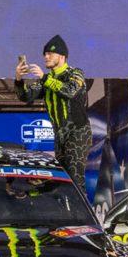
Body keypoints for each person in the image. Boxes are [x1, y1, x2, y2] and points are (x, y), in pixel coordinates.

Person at [14, 34, 88, 178]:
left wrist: (44, 78)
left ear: (62, 56)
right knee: (61, 178)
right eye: (45, 54)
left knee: (75, 178)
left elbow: (70, 91)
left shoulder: (75, 73)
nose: (46, 57)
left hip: (77, 133)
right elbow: (26, 96)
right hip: (59, 136)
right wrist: (18, 78)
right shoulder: (46, 79)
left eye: (50, 53)